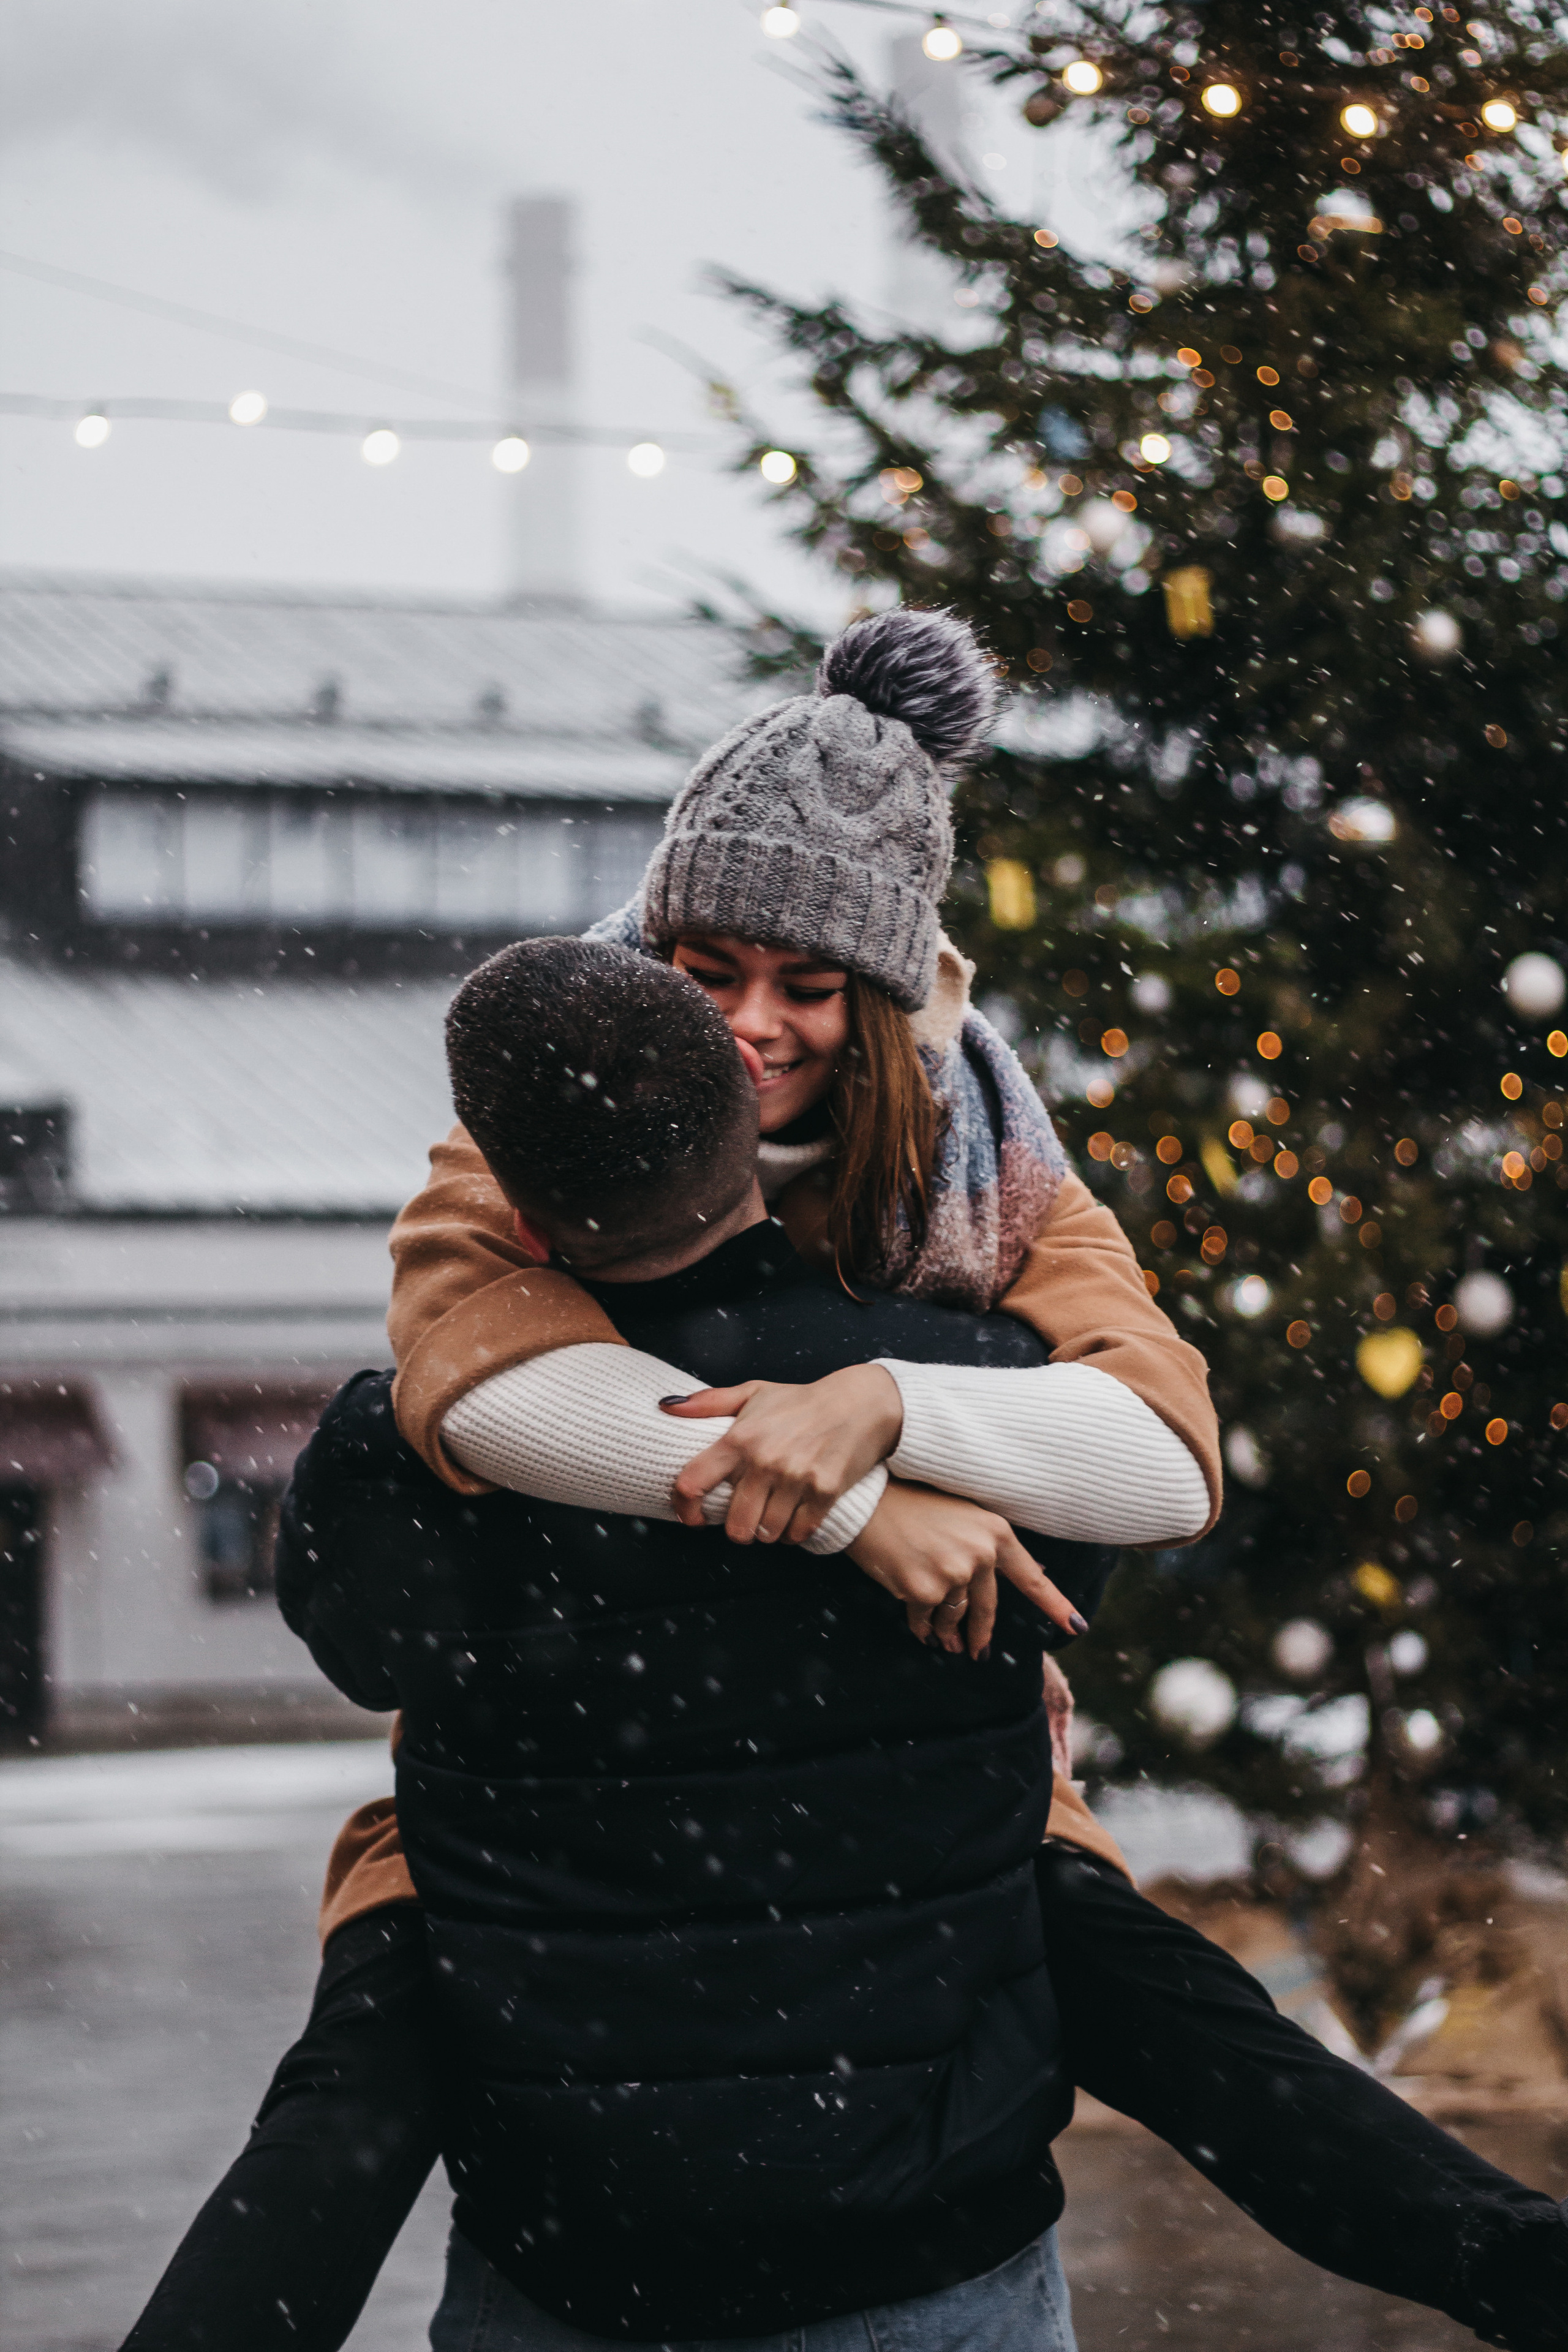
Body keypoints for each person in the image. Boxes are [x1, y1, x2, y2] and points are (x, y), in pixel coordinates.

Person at [119, 615, 1568, 2352]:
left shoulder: (998, 1168)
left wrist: (889, 1404)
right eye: (712, 969)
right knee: (384, 2049)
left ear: (886, 994)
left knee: (1153, 2000)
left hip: (907, 1804)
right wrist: (863, 1505)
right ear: (652, 956)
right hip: (608, 1808)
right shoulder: (540, 1114)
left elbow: (1163, 1458)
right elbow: (481, 1394)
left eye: (808, 986)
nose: (753, 1027)